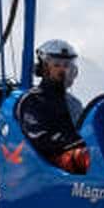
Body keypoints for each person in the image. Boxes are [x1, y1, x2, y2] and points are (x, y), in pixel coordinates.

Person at [19, 39, 90, 174]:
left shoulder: (74, 103)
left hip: (75, 153)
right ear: (44, 68)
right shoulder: (33, 100)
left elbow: (86, 131)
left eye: (67, 65)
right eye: (57, 65)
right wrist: (72, 142)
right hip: (52, 162)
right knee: (92, 159)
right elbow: (40, 138)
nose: (63, 70)